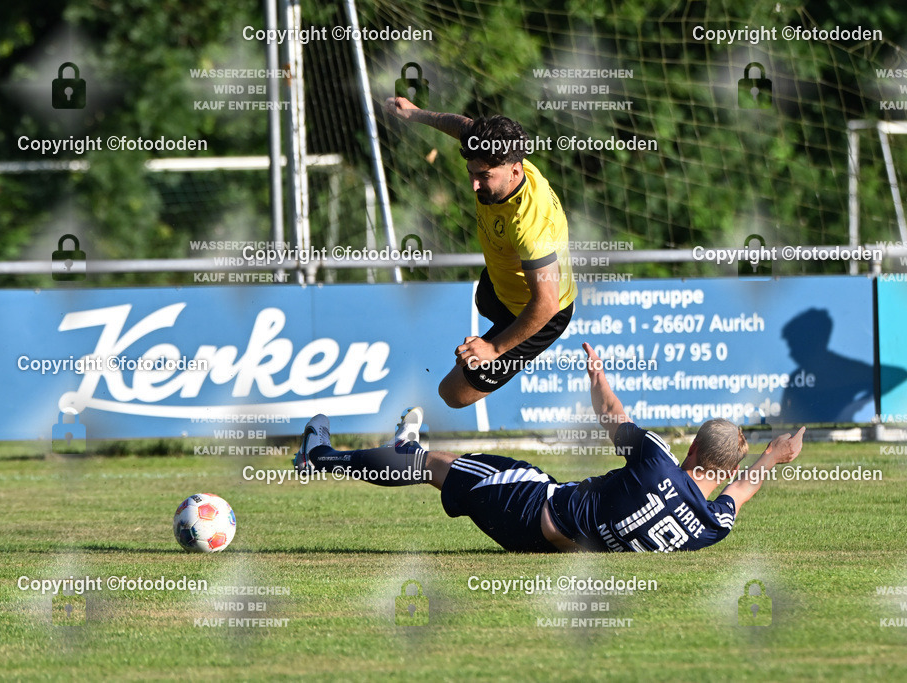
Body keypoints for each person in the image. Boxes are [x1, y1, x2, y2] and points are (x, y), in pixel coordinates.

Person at [293, 343, 806, 553]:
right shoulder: (712, 526)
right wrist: (773, 458)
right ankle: (401, 451)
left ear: (693, 451)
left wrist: (598, 375)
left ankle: (320, 457)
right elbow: (740, 490)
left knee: (432, 464)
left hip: (528, 507)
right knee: (441, 464)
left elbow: (612, 416)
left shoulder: (656, 460)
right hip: (545, 531)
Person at [383, 96, 577, 408]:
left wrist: (494, 348)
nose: (474, 185)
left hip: (540, 311)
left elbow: (546, 302)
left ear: (515, 171)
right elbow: (462, 125)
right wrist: (416, 113)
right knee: (483, 300)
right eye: (471, 172)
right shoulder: (495, 149)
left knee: (453, 394)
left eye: (484, 176)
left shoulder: (530, 224)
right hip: (499, 288)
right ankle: (495, 332)